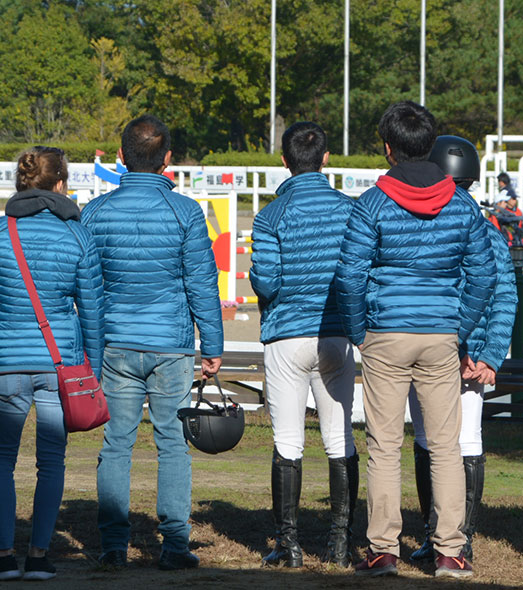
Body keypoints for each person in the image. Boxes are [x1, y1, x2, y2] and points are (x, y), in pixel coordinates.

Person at [336, 101, 495, 580]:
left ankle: (383, 551)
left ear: (388, 148)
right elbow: (484, 275)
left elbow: (350, 275)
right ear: (431, 145)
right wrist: (459, 328)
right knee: (445, 445)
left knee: (384, 445)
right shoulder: (461, 204)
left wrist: (359, 331)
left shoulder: (372, 203)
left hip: (385, 332)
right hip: (441, 334)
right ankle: (450, 552)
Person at [80, 115, 224, 572]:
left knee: (116, 444)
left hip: (115, 344)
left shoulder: (95, 212)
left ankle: (112, 545)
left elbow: (86, 286)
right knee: (173, 444)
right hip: (170, 345)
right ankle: (175, 544)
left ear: (120, 157)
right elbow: (202, 283)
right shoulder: (186, 212)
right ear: (167, 159)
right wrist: (213, 345)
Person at [0, 147, 105, 581]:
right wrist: (93, 369)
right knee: (52, 462)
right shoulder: (77, 235)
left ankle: (3, 554)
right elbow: (92, 309)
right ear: (60, 183)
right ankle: (40, 555)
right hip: (60, 364)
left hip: (7, 362)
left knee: (0, 462)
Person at [249, 122, 357, 569]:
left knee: (288, 441)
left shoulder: (271, 215)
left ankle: (288, 545)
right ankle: (340, 543)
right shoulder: (351, 210)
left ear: (284, 161)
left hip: (287, 335)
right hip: (336, 334)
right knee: (340, 438)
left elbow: (265, 282)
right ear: (326, 158)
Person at [407, 136, 517, 565]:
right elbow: (505, 298)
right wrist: (489, 354)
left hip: (434, 347)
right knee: (467, 440)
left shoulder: (425, 222)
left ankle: (435, 533)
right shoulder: (490, 231)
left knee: (426, 441)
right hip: (470, 355)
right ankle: (459, 539)